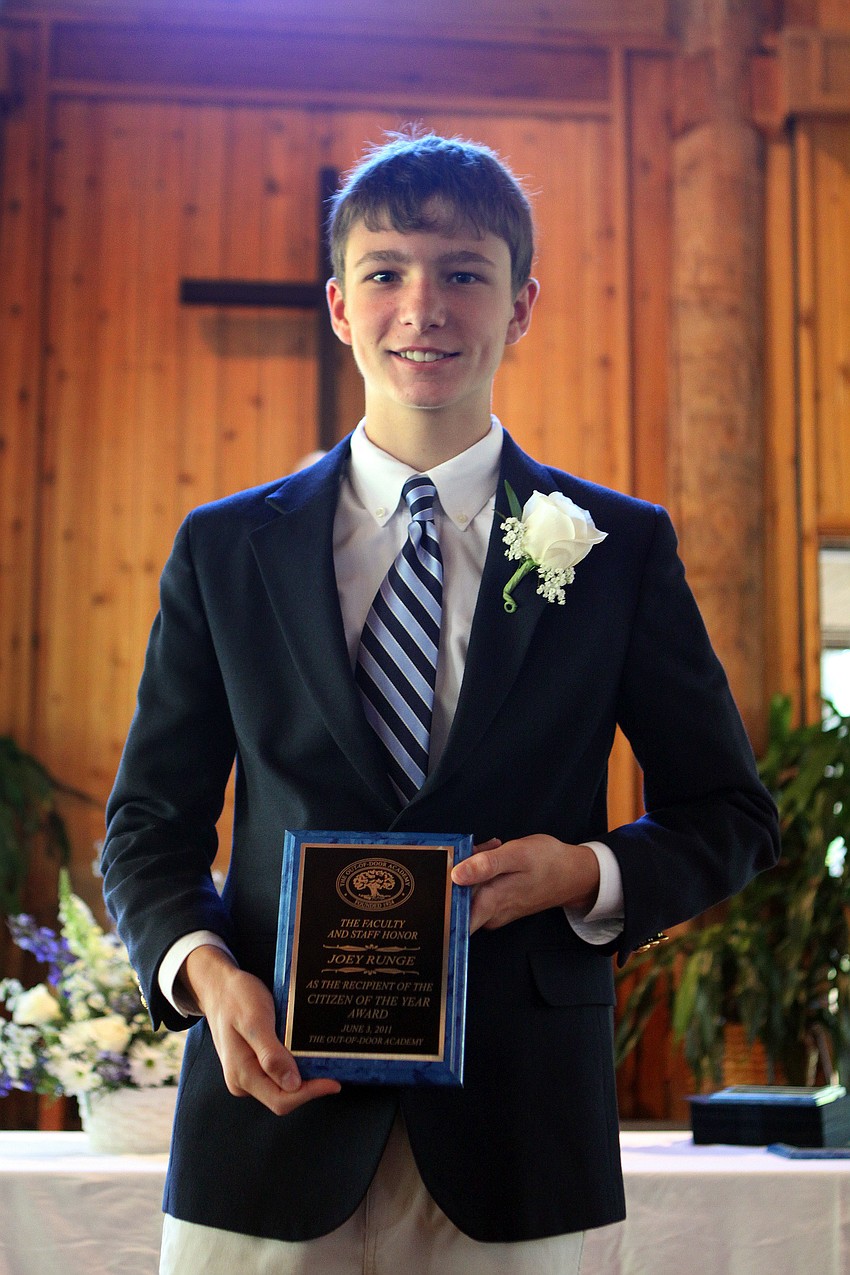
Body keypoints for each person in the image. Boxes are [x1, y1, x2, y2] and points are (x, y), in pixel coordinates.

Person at [101, 130, 779, 1274]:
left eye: (464, 272)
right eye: (387, 272)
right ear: (338, 302)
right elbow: (147, 829)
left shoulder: (616, 549)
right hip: (269, 1121)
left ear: (519, 306)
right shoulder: (224, 549)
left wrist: (584, 872)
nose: (425, 305)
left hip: (519, 1131)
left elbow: (729, 814)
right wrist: (207, 979)